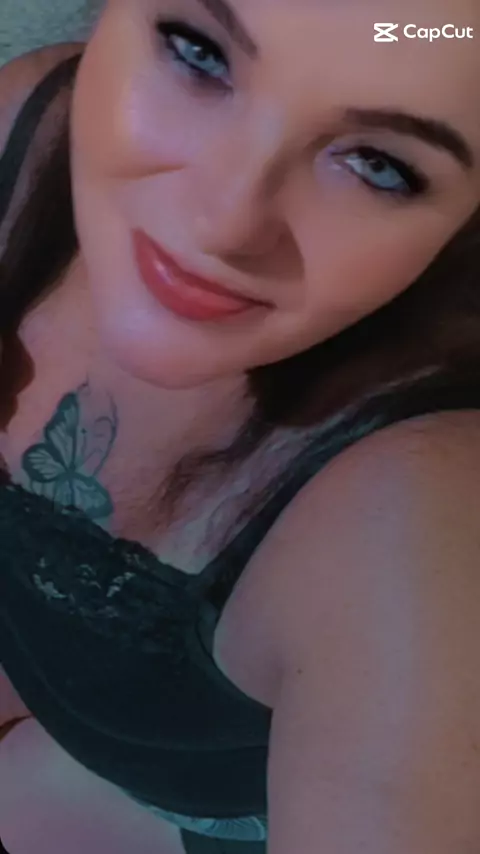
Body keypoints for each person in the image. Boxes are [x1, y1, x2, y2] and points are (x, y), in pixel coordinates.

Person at [1, 0, 480, 852]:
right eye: (197, 52)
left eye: (378, 164)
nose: (223, 222)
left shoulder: (421, 517)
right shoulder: (29, 125)